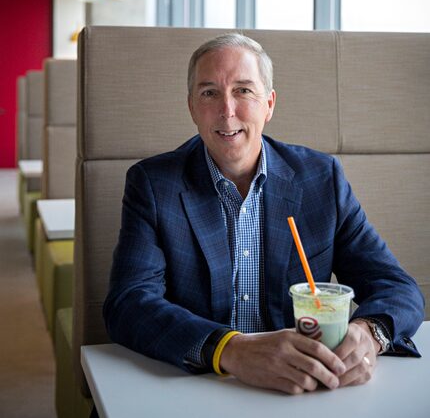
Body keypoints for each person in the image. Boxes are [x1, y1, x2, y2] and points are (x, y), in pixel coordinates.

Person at [104, 33, 424, 395]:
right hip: (201, 388)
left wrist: (370, 333)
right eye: (209, 93)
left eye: (243, 91)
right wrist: (230, 350)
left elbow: (396, 286)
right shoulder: (153, 184)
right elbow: (128, 304)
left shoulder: (321, 179)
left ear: (269, 104)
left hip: (309, 392)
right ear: (192, 106)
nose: (227, 111)